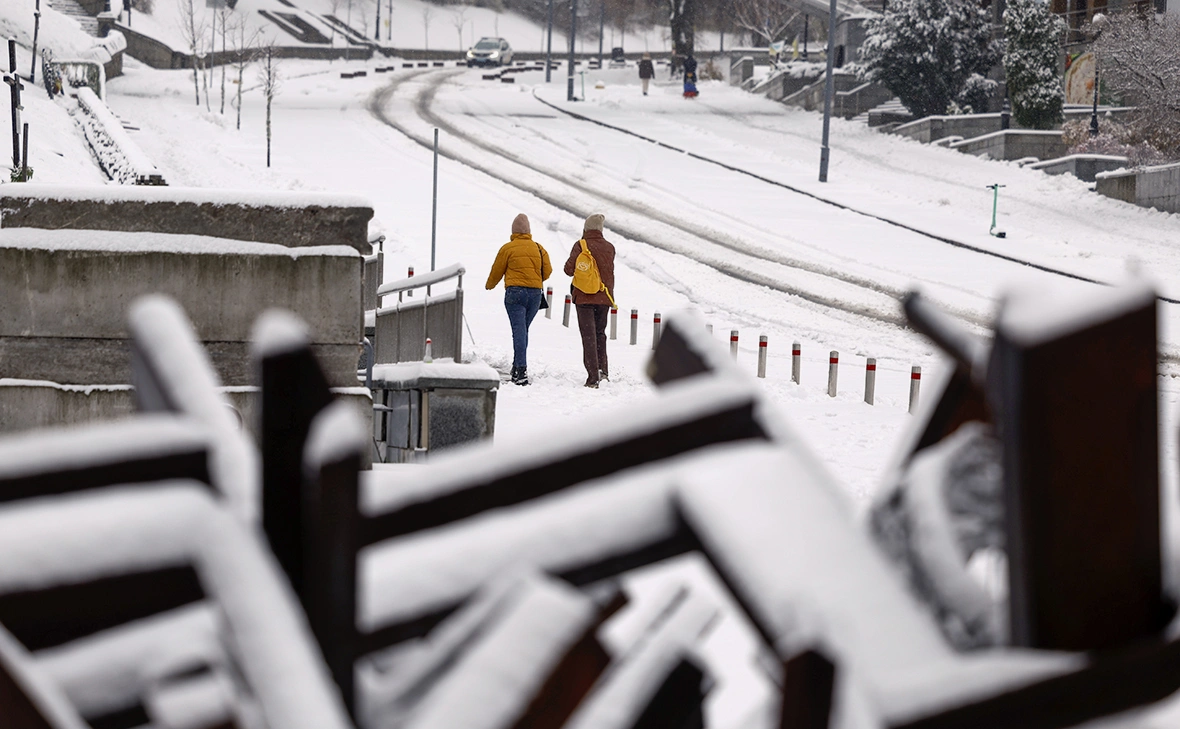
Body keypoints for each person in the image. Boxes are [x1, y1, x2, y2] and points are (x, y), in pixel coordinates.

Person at [486, 213, 552, 386]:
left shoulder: (508, 248)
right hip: (535, 295)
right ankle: (516, 367)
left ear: (513, 231)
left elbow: (497, 270)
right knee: (523, 330)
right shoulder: (539, 248)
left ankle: (521, 370)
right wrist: (534, 280)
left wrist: (490, 285)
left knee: (519, 331)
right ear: (529, 231)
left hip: (515, 294)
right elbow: (548, 271)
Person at [563, 213, 616, 389]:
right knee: (600, 334)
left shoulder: (580, 245)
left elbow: (569, 270)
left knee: (588, 336)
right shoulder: (609, 247)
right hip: (604, 297)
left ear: (585, 228)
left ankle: (593, 378)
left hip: (584, 297)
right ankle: (604, 371)